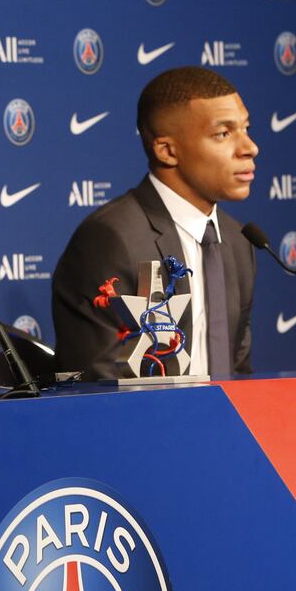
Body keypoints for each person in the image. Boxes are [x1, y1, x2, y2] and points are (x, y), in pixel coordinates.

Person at [52, 66, 258, 379]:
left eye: (246, 128)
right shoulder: (111, 240)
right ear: (167, 150)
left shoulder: (238, 241)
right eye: (223, 134)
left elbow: (238, 371)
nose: (249, 148)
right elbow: (98, 385)